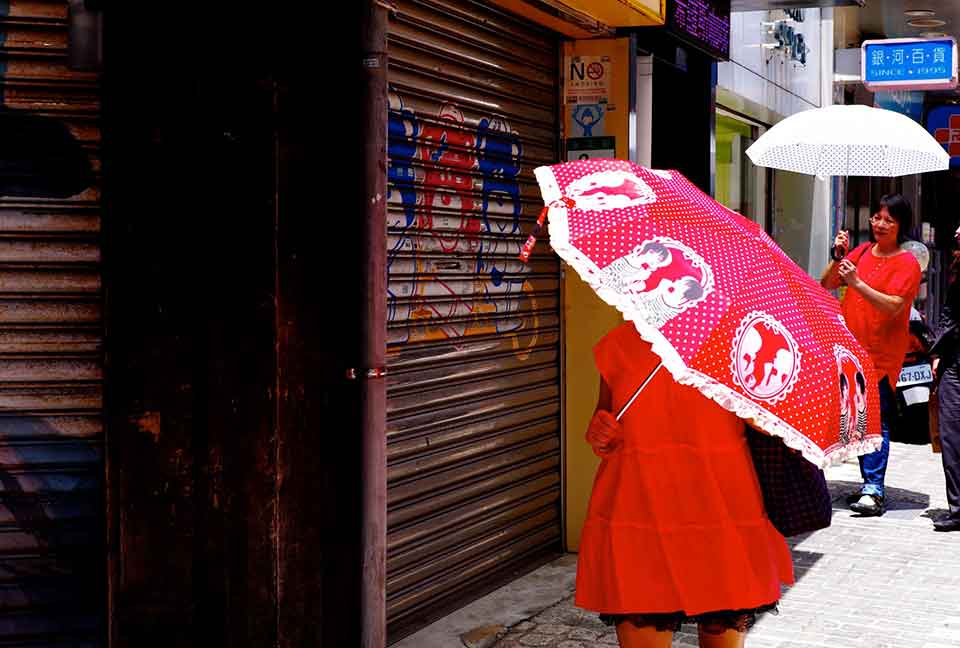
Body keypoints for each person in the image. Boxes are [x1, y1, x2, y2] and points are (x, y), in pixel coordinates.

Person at [580, 323, 793, 648]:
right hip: (640, 515)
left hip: (722, 516)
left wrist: (754, 405)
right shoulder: (619, 345)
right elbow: (605, 422)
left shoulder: (743, 347)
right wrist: (601, 432)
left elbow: (779, 429)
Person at [820, 194, 922, 516]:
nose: (880, 224)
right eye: (877, 217)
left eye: (888, 220)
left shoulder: (907, 263)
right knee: (856, 418)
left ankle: (874, 488)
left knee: (877, 418)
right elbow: (826, 283)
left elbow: (893, 306)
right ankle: (867, 483)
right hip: (849, 349)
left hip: (880, 355)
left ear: (901, 225)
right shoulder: (861, 252)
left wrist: (857, 283)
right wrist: (838, 256)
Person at [930, 223, 960, 532]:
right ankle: (958, 508)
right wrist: (938, 352)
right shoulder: (957, 269)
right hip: (954, 364)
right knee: (951, 437)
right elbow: (949, 314)